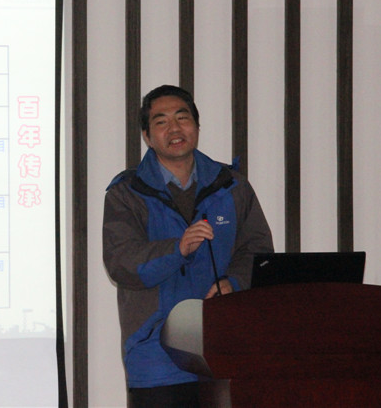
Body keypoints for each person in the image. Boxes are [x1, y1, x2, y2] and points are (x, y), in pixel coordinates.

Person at [102, 84, 274, 407]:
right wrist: (177, 249)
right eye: (161, 122)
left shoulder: (231, 185)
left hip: (225, 349)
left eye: (182, 118)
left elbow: (258, 251)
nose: (174, 129)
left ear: (196, 125)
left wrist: (234, 282)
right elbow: (121, 262)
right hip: (156, 355)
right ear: (147, 136)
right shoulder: (127, 193)